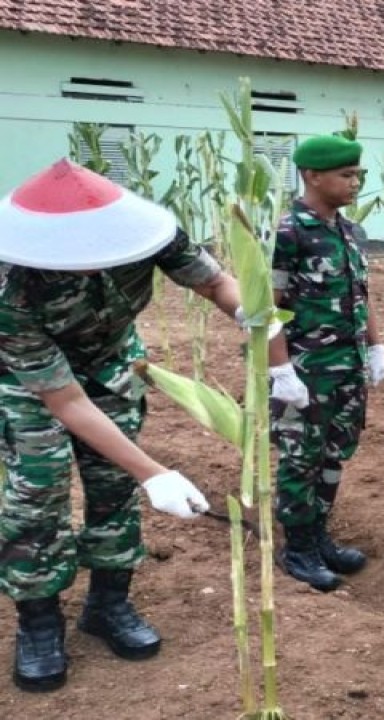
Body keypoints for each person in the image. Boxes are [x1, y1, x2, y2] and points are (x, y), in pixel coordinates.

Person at [0, 159, 243, 691]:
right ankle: (39, 623)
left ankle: (109, 605)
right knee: (36, 491)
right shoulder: (10, 288)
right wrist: (156, 473)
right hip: (32, 385)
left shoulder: (149, 236)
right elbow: (64, 401)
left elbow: (216, 283)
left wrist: (261, 328)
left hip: (113, 366)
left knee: (113, 487)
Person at [268, 134, 384, 591]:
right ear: (312, 176)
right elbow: (267, 308)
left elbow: (362, 295)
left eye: (357, 174)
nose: (354, 182)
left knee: (336, 453)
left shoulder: (349, 230)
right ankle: (297, 547)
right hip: (305, 370)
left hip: (347, 368)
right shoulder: (288, 233)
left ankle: (319, 536)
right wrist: (281, 370)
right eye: (346, 175)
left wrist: (375, 347)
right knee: (301, 459)